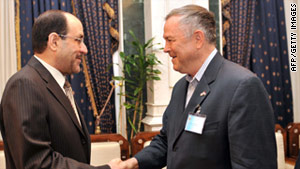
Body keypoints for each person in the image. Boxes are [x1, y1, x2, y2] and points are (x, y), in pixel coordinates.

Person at [122, 4, 277, 169]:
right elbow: (168, 142)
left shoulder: (243, 86)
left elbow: (253, 164)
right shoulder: (181, 87)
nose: (166, 49)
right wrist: (132, 163)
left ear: (198, 39)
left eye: (170, 40)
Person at [0, 10, 122, 169]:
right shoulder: (24, 85)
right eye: (78, 40)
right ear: (54, 41)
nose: (84, 49)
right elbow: (36, 164)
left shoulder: (58, 85)